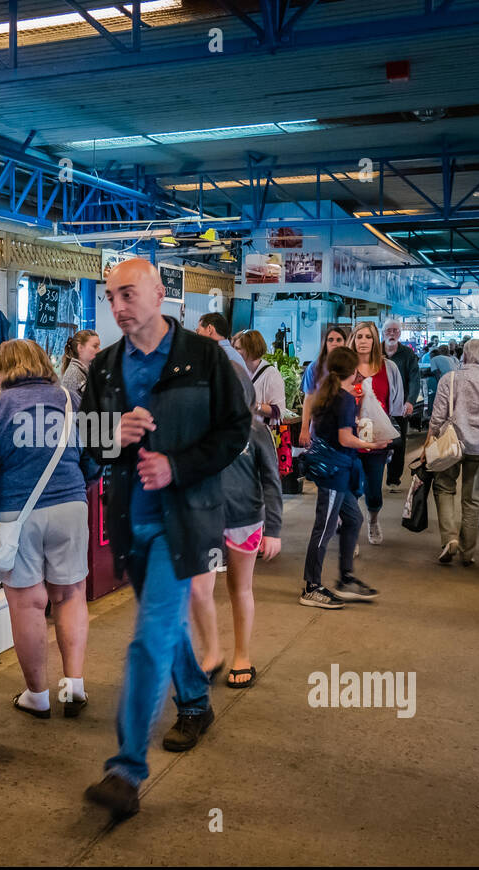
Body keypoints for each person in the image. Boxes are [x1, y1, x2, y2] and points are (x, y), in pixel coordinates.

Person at [80, 259, 250, 820]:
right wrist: (113, 433)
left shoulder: (206, 360)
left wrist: (178, 466)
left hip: (185, 522)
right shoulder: (104, 368)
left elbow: (235, 430)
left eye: (127, 294)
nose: (118, 307)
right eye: (110, 298)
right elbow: (85, 441)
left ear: (160, 293)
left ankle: (125, 770)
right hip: (131, 522)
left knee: (148, 637)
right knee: (168, 621)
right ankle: (196, 702)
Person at [0, 339, 90, 719]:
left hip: (16, 517)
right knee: (70, 596)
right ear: (42, 362)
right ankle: (74, 686)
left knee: (28, 605)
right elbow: (95, 455)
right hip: (70, 507)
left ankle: (38, 695)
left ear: (3, 369)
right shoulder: (70, 400)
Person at [188, 372, 283, 689]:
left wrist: (274, 530)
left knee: (239, 588)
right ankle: (212, 653)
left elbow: (272, 480)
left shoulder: (256, 430)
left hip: (245, 521)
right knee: (199, 589)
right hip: (205, 521)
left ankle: (242, 655)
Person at [300, 346, 388, 609]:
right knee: (324, 529)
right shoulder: (345, 398)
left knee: (353, 518)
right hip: (334, 471)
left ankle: (346, 578)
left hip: (330, 468)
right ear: (353, 370)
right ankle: (311, 587)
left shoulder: (327, 393)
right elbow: (344, 438)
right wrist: (372, 445)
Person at [426, 338, 479, 566]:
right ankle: (467, 552)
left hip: (450, 444)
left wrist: (430, 439)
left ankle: (449, 538)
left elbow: (437, 416)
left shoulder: (448, 379)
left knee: (444, 489)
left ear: (464, 355)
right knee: (473, 499)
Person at [348, 321, 404, 545]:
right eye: (359, 336)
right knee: (350, 487)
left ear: (374, 341)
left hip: (377, 437)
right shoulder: (345, 367)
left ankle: (373, 520)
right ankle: (350, 530)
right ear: (353, 339)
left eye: (368, 337)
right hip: (349, 435)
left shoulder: (388, 367)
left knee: (373, 488)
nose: (363, 341)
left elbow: (396, 403)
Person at [381, 319, 421, 490]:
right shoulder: (374, 351)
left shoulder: (407, 354)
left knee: (398, 442)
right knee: (374, 440)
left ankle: (393, 478)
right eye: (389, 330)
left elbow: (414, 379)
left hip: (399, 406)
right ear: (383, 332)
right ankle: (372, 476)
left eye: (395, 330)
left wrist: (410, 401)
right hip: (377, 405)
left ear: (400, 333)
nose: (392, 333)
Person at [299, 323, 352, 445]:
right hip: (320, 426)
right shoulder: (314, 368)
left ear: (345, 342)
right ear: (325, 343)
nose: (335, 343)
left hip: (347, 425)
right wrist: (304, 429)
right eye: (330, 340)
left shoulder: (351, 366)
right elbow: (308, 399)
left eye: (339, 340)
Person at [235, 329, 290, 421]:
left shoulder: (271, 374)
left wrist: (254, 405)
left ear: (250, 349)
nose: (235, 352)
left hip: (262, 432)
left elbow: (278, 411)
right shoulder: (241, 371)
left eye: (238, 348)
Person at [59, 329, 100, 399]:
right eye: (95, 346)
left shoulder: (85, 372)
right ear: (80, 348)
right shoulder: (74, 374)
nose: (99, 350)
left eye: (99, 346)